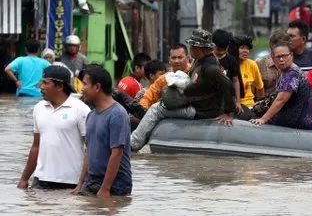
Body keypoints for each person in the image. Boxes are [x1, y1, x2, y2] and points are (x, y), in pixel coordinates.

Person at [130, 29, 235, 151]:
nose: (190, 49)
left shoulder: (210, 68)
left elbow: (228, 85)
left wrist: (228, 113)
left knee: (156, 109)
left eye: (191, 47)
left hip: (202, 110)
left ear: (199, 48)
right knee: (163, 103)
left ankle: (133, 144)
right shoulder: (199, 61)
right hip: (196, 104)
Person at [17, 65, 90, 190]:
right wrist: (24, 179)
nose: (41, 87)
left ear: (60, 86)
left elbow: (90, 149)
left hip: (71, 182)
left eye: (46, 83)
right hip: (40, 180)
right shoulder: (39, 108)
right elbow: (36, 146)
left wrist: (83, 184)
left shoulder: (81, 109)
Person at [73, 64, 132, 197]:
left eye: (85, 84)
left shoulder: (117, 114)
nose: (82, 89)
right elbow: (89, 152)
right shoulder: (90, 115)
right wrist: (80, 185)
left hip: (115, 185)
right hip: (92, 181)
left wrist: (105, 188)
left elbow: (117, 153)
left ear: (97, 87)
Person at [250, 39, 312, 129]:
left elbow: (282, 99)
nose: (281, 59)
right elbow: (277, 95)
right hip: (298, 117)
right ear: (273, 59)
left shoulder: (292, 73)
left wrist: (263, 119)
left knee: (251, 119)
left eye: (284, 56)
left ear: (291, 56)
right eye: (278, 57)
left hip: (299, 121)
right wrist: (263, 102)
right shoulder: (285, 72)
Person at [139, 44, 192, 109]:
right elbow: (148, 97)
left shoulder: (194, 72)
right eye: (173, 58)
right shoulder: (164, 78)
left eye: (180, 57)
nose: (176, 61)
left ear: (187, 58)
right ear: (169, 59)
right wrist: (141, 111)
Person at [212, 29, 242, 115]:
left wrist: (238, 102)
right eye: (218, 49)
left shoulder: (231, 60)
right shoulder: (208, 59)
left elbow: (235, 81)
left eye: (224, 49)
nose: (221, 52)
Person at [236, 35, 264, 121]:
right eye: (242, 48)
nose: (246, 51)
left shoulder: (252, 64)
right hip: (234, 106)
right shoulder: (229, 63)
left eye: (247, 48)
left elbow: (260, 87)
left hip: (249, 105)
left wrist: (260, 102)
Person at [256, 30, 287, 97]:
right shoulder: (260, 63)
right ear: (271, 46)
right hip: (264, 103)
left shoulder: (290, 62)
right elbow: (255, 89)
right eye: (278, 46)